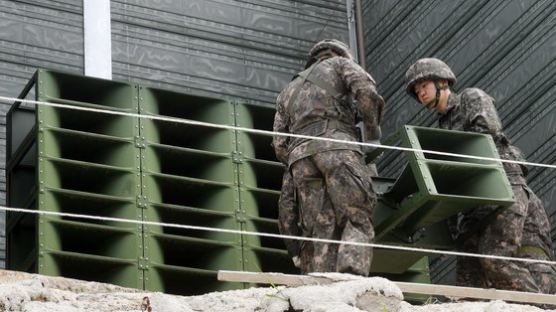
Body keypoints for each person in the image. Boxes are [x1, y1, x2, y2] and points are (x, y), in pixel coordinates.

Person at [405, 57, 556, 293]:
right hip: (473, 205)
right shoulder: (442, 128)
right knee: (468, 282)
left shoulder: (470, 98)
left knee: (496, 260)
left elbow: (488, 132)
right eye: (417, 91)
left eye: (423, 86)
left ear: (442, 82)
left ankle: (540, 307)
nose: (420, 93)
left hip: (502, 188)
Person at [272, 39, 384, 276]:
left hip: (300, 162)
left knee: (321, 224)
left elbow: (279, 143)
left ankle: (323, 283)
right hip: (337, 147)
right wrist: (372, 132)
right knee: (356, 213)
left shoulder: (288, 91)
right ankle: (352, 276)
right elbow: (366, 93)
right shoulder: (341, 65)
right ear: (340, 54)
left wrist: (298, 160)